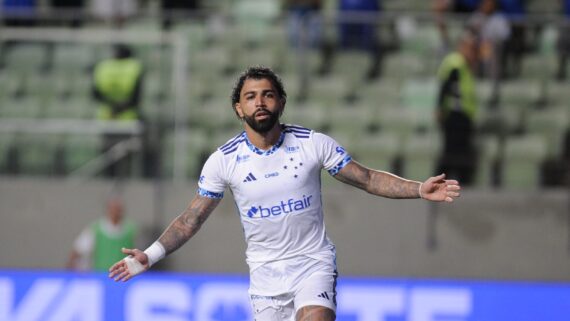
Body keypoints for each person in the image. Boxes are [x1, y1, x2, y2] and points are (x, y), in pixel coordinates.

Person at [109, 66, 461, 321]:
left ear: (281, 102)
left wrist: (418, 188)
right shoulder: (222, 161)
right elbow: (192, 218)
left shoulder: (313, 144)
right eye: (250, 97)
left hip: (313, 264)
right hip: (264, 277)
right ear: (239, 108)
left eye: (267, 94)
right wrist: (150, 256)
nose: (259, 102)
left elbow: (367, 178)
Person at [92, 44, 144, 178]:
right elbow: (137, 96)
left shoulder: (103, 67)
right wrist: (121, 107)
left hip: (107, 116)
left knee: (107, 155)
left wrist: (112, 107)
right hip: (128, 117)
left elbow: (95, 94)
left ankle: (107, 182)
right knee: (125, 157)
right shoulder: (134, 67)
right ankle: (124, 184)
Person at [435, 29, 479, 186]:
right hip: (456, 116)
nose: (473, 52)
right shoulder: (456, 63)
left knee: (458, 154)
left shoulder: (463, 65)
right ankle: (439, 186)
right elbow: (446, 87)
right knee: (453, 154)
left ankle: (456, 185)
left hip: (462, 116)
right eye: (471, 48)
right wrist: (439, 108)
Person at [68, 197, 136, 271]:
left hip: (123, 275)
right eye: (113, 209)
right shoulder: (96, 229)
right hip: (100, 275)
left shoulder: (131, 229)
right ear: (108, 210)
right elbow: (78, 249)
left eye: (118, 209)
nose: (115, 212)